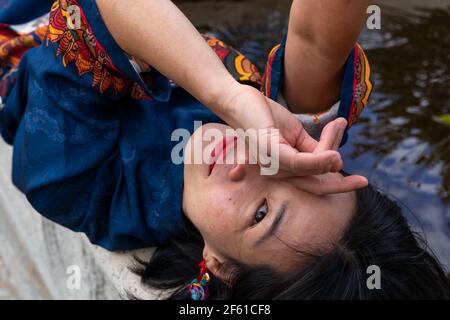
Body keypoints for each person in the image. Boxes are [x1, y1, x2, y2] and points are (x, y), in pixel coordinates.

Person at [0, 0, 448, 299]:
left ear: (219, 268)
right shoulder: (291, 141)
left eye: (261, 213)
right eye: (312, 178)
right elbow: (316, 39)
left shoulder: (79, 183)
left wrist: (228, 96)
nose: (256, 161)